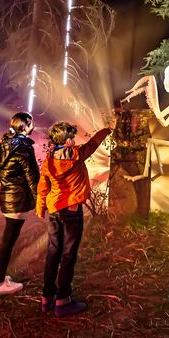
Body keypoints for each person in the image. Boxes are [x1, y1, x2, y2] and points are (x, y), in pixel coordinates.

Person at [36, 121, 113, 317]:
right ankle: (63, 301)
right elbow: (94, 144)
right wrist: (107, 128)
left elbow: (43, 186)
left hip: (54, 211)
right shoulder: (77, 155)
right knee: (68, 255)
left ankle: (47, 298)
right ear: (69, 140)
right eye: (72, 137)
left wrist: (40, 207)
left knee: (53, 252)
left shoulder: (49, 160)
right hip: (71, 211)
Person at [0, 112, 39, 296]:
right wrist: (41, 200)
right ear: (26, 126)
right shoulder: (23, 148)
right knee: (8, 242)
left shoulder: (6, 145)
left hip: (7, 198)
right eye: (31, 123)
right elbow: (33, 178)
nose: (33, 126)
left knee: (6, 240)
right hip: (18, 200)